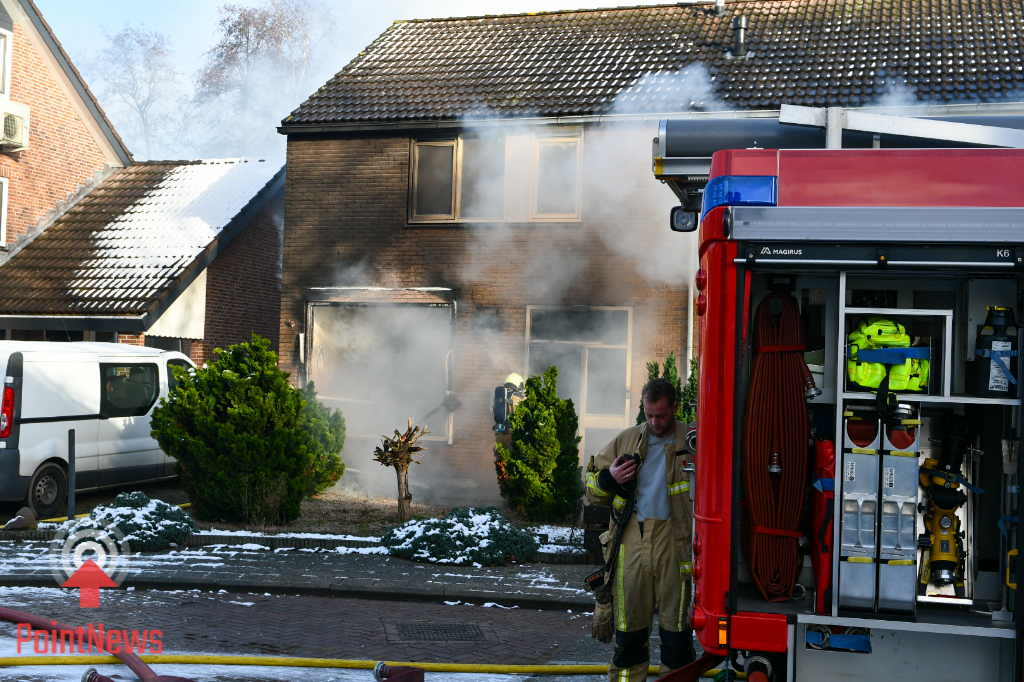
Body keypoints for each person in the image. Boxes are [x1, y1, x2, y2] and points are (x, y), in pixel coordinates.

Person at [585, 377, 695, 681]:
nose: (655, 422)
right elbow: (592, 489)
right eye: (648, 415)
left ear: (675, 407)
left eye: (661, 415)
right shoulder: (627, 440)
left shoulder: (692, 440)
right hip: (632, 540)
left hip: (677, 544)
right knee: (629, 636)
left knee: (677, 638)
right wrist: (609, 478)